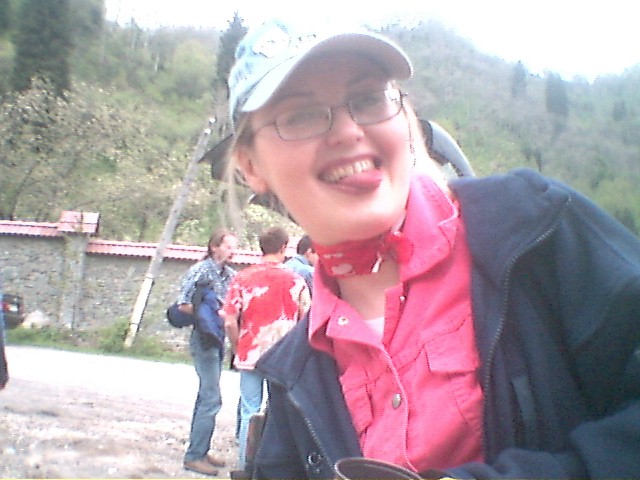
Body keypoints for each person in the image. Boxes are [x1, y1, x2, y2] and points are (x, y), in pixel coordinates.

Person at [219, 17, 640, 479]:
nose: (348, 131)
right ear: (250, 166)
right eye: (300, 115)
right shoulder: (293, 374)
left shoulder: (533, 228)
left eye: (367, 98)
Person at [221, 226, 310, 472]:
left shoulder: (242, 278)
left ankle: (245, 467)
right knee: (278, 414)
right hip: (283, 357)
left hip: (250, 353)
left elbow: (229, 320)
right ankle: (271, 470)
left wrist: (238, 346)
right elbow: (306, 321)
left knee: (249, 410)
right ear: (284, 247)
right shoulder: (296, 280)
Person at [178, 228, 238, 476]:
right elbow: (182, 305)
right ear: (214, 247)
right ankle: (194, 456)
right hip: (204, 339)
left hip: (218, 339)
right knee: (212, 398)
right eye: (228, 246)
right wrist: (208, 314)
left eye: (234, 247)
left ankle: (200, 451)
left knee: (206, 397)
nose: (232, 251)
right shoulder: (200, 271)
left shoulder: (231, 275)